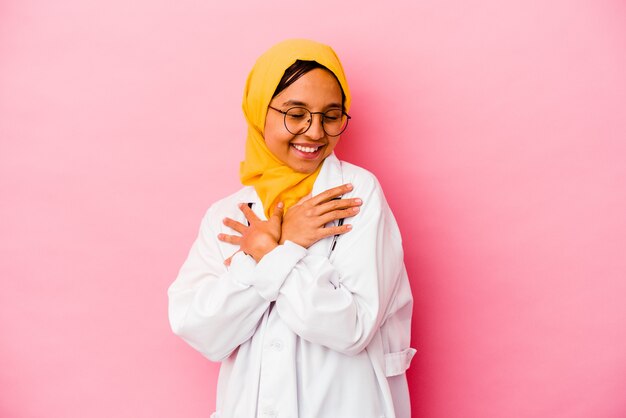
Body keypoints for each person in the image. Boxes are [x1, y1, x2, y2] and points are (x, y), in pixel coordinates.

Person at [168, 39, 415, 418]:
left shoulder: (354, 194)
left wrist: (270, 252)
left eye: (331, 115)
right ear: (258, 110)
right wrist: (281, 248)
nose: (315, 132)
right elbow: (201, 330)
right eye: (296, 113)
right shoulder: (228, 214)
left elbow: (352, 328)